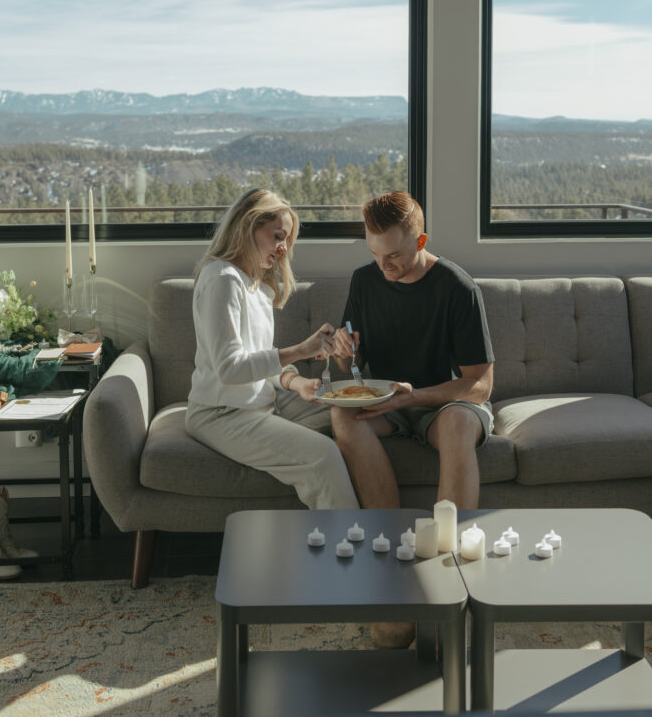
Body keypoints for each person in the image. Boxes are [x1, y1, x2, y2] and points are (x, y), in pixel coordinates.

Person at [331, 190, 494, 647]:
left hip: (443, 404)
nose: (384, 266)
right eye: (375, 255)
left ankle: (445, 573)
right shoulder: (364, 281)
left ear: (421, 240)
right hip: (389, 403)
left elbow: (480, 384)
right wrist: (344, 351)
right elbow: (350, 362)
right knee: (344, 416)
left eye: (394, 256)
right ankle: (392, 556)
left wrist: (415, 396)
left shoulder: (457, 287)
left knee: (459, 424)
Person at [185, 187, 359, 510]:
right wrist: (301, 350)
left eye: (286, 240)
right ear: (248, 226)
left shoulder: (256, 286)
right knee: (323, 457)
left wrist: (297, 383)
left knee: (352, 412)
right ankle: (350, 540)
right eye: (278, 236)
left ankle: (385, 520)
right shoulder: (222, 279)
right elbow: (230, 369)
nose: (282, 248)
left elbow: (259, 361)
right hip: (221, 413)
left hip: (261, 403)